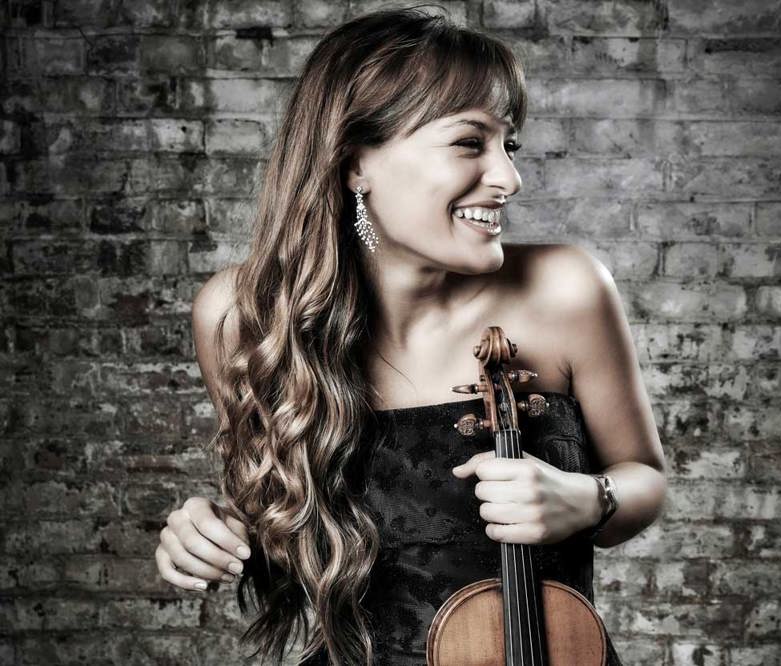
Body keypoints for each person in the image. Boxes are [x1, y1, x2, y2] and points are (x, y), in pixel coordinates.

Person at [154, 6, 666, 666]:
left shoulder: (566, 288)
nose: (510, 178)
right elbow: (278, 527)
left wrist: (589, 498)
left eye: (509, 144)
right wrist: (214, 534)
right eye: (468, 142)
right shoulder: (241, 315)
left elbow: (644, 479)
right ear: (352, 163)